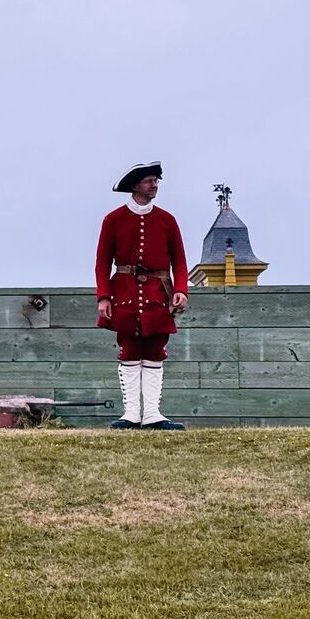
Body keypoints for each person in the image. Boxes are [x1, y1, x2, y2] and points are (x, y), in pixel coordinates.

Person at [96, 163, 189, 430]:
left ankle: (152, 415)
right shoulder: (113, 220)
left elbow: (179, 261)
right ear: (135, 186)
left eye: (156, 181)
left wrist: (180, 289)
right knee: (129, 351)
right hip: (124, 293)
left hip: (157, 294)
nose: (155, 185)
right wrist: (104, 297)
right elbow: (102, 262)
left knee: (155, 351)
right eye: (149, 181)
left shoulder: (167, 220)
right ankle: (131, 414)